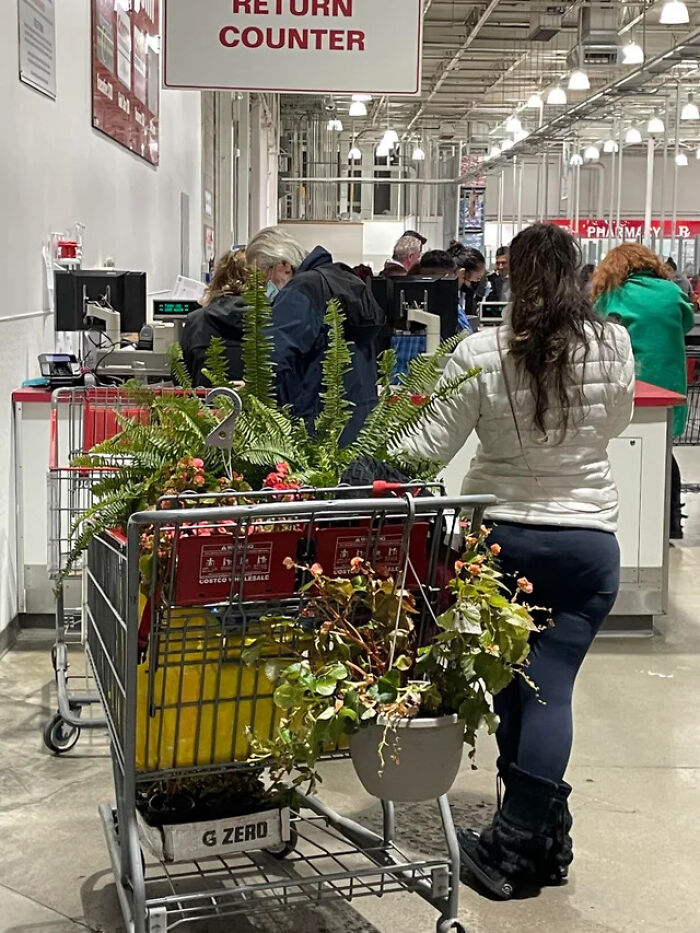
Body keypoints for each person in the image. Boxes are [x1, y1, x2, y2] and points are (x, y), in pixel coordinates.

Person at [401, 223, 635, 899]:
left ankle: (512, 844)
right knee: (549, 686)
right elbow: (614, 421)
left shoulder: (481, 350)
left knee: (512, 685)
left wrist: (373, 450)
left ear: (516, 277)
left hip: (503, 542)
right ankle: (540, 839)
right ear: (579, 273)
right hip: (590, 543)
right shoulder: (613, 343)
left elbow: (426, 446)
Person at [245, 226, 385, 444]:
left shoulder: (300, 291)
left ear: (283, 265)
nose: (264, 286)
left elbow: (269, 362)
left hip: (314, 427)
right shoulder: (346, 281)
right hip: (361, 423)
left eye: (264, 275)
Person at [594, 244, 694, 538]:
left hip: (627, 382)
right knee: (664, 452)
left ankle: (632, 518)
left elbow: (596, 327)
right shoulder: (673, 292)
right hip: (670, 383)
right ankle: (672, 521)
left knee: (628, 451)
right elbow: (687, 322)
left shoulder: (612, 294)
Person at [181, 249, 248, 387]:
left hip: (203, 407)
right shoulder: (272, 320)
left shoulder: (196, 321)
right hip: (260, 408)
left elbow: (182, 378)